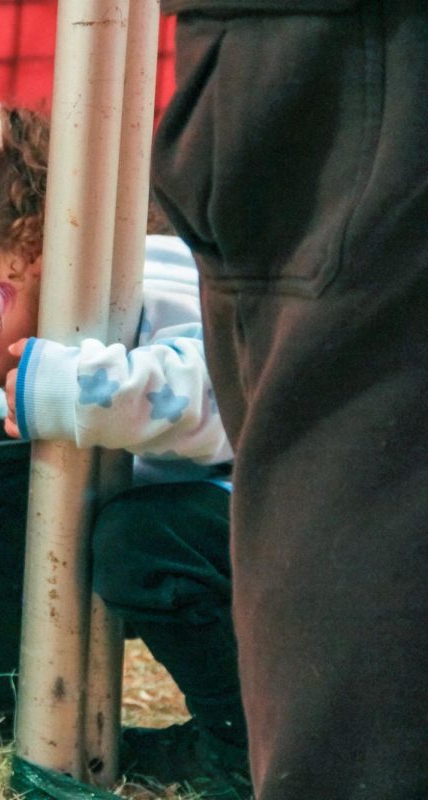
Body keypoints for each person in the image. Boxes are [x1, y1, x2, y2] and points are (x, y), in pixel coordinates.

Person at [0, 108, 248, 798]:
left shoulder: (158, 274)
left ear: (33, 243)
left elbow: (205, 398)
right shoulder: (95, 330)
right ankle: (231, 726)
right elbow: (109, 407)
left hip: (291, 526)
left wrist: (53, 387)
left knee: (140, 543)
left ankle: (241, 750)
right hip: (244, 527)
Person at [149, 2, 428, 799]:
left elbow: (181, 400)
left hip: (337, 50)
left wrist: (44, 388)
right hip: (338, 46)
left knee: (343, 459)